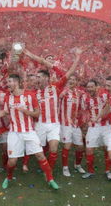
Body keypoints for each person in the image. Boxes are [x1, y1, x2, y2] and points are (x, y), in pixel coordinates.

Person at [0, 74, 59, 190]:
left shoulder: (30, 95)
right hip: (14, 133)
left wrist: (25, 111)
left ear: (16, 82)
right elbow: (5, 112)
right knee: (12, 161)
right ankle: (9, 178)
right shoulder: (8, 97)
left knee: (40, 155)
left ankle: (50, 179)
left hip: (29, 131)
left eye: (9, 81)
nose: (7, 84)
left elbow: (37, 113)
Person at [24, 47, 84, 176]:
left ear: (45, 78)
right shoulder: (33, 93)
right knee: (38, 148)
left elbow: (69, 72)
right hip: (40, 124)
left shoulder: (56, 87)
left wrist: (78, 57)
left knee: (53, 148)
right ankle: (30, 164)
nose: (36, 79)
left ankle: (48, 171)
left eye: (38, 77)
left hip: (54, 124)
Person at [60, 74, 86, 177]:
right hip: (65, 123)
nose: (71, 81)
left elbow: (81, 108)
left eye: (74, 79)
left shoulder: (78, 93)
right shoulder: (64, 91)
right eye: (70, 79)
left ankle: (77, 165)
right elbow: (60, 96)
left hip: (75, 124)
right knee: (67, 145)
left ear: (76, 82)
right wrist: (67, 88)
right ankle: (65, 167)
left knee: (80, 147)